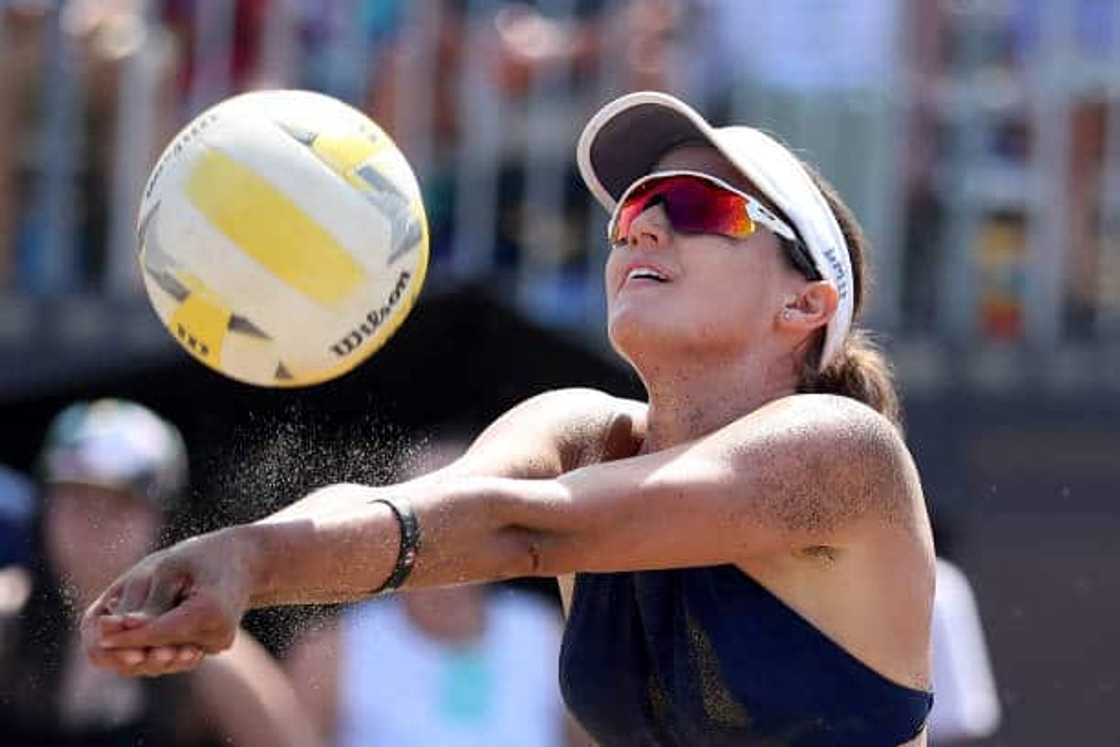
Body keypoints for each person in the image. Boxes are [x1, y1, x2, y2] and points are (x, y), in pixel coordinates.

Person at [81, 91, 936, 746]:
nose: (641, 232)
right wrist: (233, 552)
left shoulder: (843, 452)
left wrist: (255, 560)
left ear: (806, 302)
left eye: (699, 208)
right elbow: (439, 506)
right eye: (634, 212)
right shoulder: (581, 428)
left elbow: (530, 527)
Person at [1, 398, 322, 747]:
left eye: (119, 505)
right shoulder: (7, 621)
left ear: (161, 521)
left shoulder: (201, 651)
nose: (92, 523)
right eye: (76, 500)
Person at [286, 439, 591, 746]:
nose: (446, 542)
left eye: (463, 518)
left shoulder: (546, 634)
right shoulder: (331, 649)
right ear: (387, 533)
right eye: (425, 520)